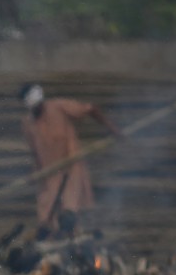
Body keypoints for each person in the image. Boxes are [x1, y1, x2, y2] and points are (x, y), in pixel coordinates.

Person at [19, 83, 123, 235]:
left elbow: (90, 109)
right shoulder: (28, 123)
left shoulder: (59, 107)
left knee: (70, 213)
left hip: (71, 169)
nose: (37, 111)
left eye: (39, 107)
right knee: (46, 218)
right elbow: (35, 152)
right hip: (48, 175)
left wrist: (114, 131)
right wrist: (35, 174)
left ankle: (80, 243)